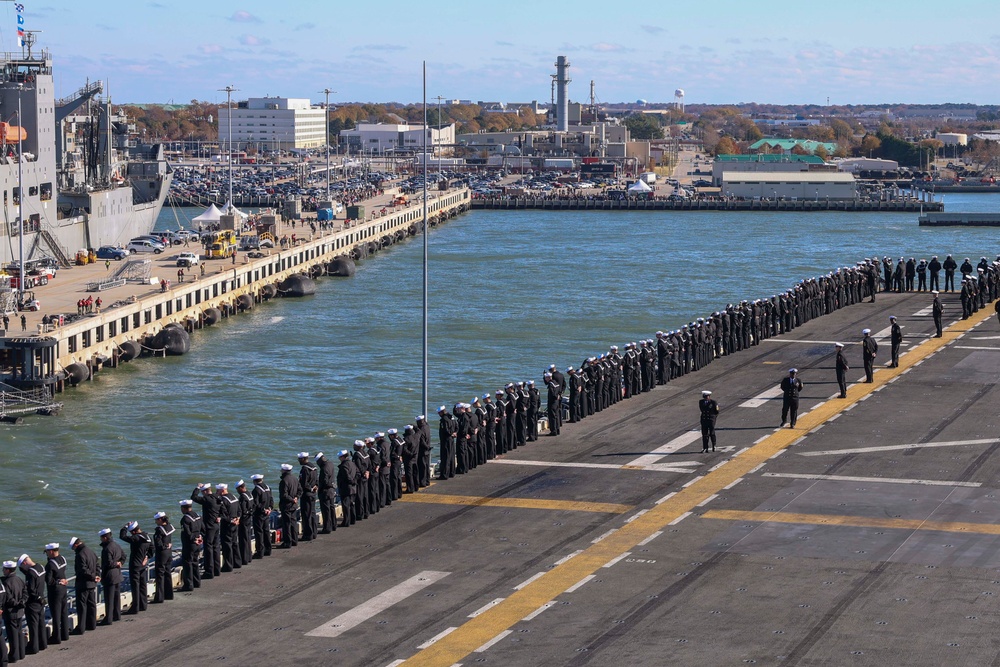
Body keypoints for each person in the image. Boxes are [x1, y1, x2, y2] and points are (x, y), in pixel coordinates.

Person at [14, 554, 46, 655]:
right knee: (41, 623)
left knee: (33, 626)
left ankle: (34, 647)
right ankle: (43, 644)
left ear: (24, 563)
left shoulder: (31, 573)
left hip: (33, 602)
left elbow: (30, 589)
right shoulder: (41, 567)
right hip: (41, 599)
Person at [118, 521, 151, 614]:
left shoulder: (135, 538)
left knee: (135, 586)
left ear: (133, 531)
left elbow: (122, 536)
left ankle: (135, 607)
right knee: (143, 585)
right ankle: (143, 605)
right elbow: (152, 548)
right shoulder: (147, 536)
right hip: (143, 564)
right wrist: (147, 557)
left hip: (135, 565)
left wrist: (125, 526)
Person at [191, 483, 221, 578]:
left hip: (209, 526)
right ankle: (217, 570)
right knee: (216, 548)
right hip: (216, 525)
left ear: (204, 491)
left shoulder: (206, 499)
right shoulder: (217, 497)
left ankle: (209, 571)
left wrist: (197, 487)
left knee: (208, 549)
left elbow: (194, 497)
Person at [70, 536, 98, 633]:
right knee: (91, 604)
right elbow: (97, 564)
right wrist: (97, 575)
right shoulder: (90, 551)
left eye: (73, 547)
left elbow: (83, 570)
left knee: (82, 606)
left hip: (83, 584)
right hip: (91, 584)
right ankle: (92, 624)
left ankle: (81, 628)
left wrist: (92, 576)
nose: (73, 550)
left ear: (76, 545)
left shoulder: (80, 554)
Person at [43, 543, 69, 644]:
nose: (47, 555)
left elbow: (49, 581)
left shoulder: (50, 564)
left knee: (56, 614)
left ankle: (56, 637)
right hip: (63, 589)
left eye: (47, 552)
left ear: (51, 551)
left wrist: (57, 581)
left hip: (55, 591)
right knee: (63, 612)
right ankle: (65, 634)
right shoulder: (63, 559)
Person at [98, 528, 125, 625]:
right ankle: (117, 615)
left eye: (101, 538)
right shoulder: (116, 545)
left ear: (105, 537)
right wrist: (120, 563)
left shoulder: (107, 549)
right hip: (117, 575)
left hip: (109, 576)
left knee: (109, 598)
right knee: (116, 597)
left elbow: (108, 563)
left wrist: (116, 564)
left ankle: (108, 618)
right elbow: (124, 555)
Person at [1, 561, 26, 661]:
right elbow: (25, 592)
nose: (3, 571)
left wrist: (16, 603)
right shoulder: (19, 579)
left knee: (12, 635)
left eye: (3, 569)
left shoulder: (6, 583)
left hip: (11, 612)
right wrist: (22, 602)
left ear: (7, 570)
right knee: (19, 632)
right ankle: (21, 653)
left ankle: (14, 655)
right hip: (20, 612)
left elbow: (8, 599)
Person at [178, 499, 203, 591]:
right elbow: (203, 528)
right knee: (195, 562)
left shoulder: (185, 519)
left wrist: (193, 539)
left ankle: (188, 585)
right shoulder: (197, 515)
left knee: (187, 564)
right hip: (198, 543)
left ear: (184, 508)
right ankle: (197, 582)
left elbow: (187, 533)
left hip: (190, 544)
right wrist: (200, 537)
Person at [151, 512, 174, 603]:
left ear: (160, 519)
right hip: (169, 553)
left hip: (162, 554)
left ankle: (159, 597)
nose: (156, 522)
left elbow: (158, 544)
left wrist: (164, 546)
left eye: (156, 520)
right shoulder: (169, 526)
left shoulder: (159, 530)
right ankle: (169, 594)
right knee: (168, 573)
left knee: (160, 575)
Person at [251, 474, 273, 558]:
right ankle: (268, 549)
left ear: (255, 481)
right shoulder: (267, 488)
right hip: (267, 513)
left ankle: (260, 552)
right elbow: (271, 500)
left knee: (259, 533)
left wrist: (263, 509)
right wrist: (269, 509)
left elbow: (256, 504)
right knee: (266, 531)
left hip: (259, 514)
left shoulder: (256, 490)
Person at [278, 463, 300, 548]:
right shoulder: (295, 479)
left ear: (284, 471)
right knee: (293, 523)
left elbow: (284, 495)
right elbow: (300, 490)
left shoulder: (284, 481)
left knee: (286, 524)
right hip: (294, 505)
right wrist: (296, 498)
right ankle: (295, 540)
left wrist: (291, 499)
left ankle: (287, 542)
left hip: (286, 505)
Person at [298, 453, 319, 541]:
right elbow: (317, 479)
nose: (298, 461)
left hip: (306, 495)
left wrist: (310, 489)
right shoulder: (314, 467)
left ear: (303, 459)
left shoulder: (305, 469)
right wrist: (316, 487)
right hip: (313, 494)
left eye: (299, 459)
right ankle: (314, 532)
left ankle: (308, 534)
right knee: (312, 513)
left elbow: (303, 483)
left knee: (306, 515)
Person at [316, 453, 338, 534]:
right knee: (331, 508)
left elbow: (324, 481)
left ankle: (327, 528)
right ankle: (334, 525)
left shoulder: (324, 468)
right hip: (331, 491)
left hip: (325, 492)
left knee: (326, 511)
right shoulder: (330, 464)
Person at [337, 450, 357, 527]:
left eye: (340, 457)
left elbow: (346, 476)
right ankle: (353, 519)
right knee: (352, 504)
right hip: (353, 488)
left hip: (346, 488)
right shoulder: (352, 463)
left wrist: (351, 481)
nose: (339, 459)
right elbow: (357, 473)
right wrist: (354, 482)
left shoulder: (344, 466)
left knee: (346, 505)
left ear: (343, 457)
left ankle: (346, 522)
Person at [236, 481, 254, 564]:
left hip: (244, 520)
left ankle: (244, 558)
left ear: (240, 488)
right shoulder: (249, 494)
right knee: (248, 538)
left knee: (243, 539)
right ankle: (249, 556)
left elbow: (242, 509)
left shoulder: (242, 496)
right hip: (249, 519)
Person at [437, 406, 456, 479]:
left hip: (445, 440)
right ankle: (452, 472)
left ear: (441, 412)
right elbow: (456, 425)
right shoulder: (451, 417)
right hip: (451, 439)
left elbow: (445, 430)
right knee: (451, 456)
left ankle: (444, 474)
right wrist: (454, 433)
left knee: (445, 457)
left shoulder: (443, 420)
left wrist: (450, 433)